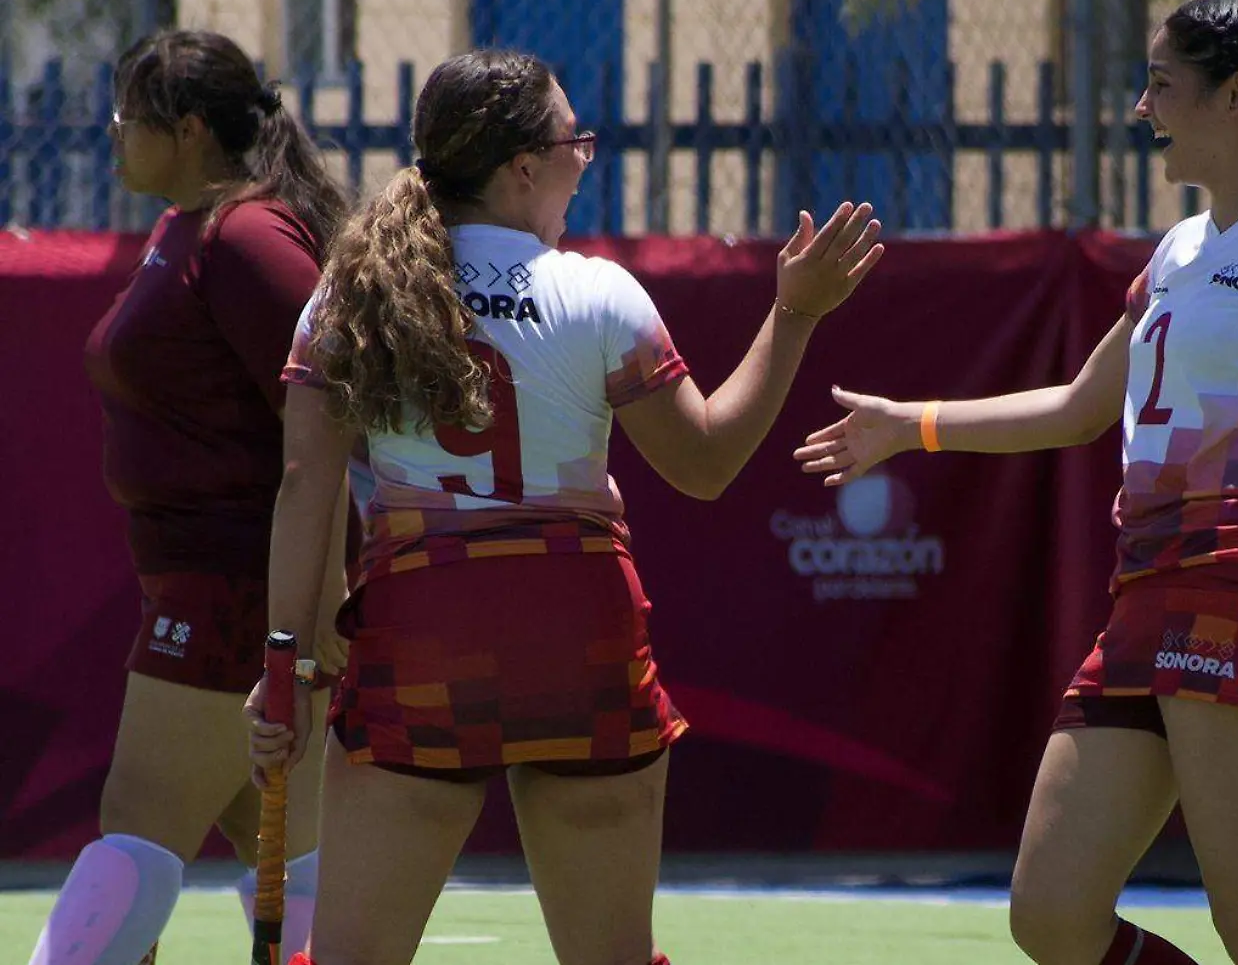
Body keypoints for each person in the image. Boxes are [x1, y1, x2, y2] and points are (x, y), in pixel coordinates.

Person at [795, 0, 1238, 965]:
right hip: (1145, 591)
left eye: (1161, 84)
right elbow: (1082, 404)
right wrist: (911, 425)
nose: (1142, 107)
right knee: (1050, 910)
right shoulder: (1177, 250)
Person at [243, 48, 883, 965]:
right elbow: (705, 463)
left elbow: (306, 489)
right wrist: (795, 315)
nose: (587, 159)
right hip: (579, 637)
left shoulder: (351, 296)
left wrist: (286, 670)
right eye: (574, 141)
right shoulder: (596, 294)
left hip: (427, 638)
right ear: (523, 168)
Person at [31, 29, 350, 965]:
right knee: (283, 855)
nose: (112, 133)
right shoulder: (191, 228)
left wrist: (317, 607)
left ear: (193, 129)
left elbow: (337, 412)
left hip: (236, 591)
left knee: (135, 832)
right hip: (204, 584)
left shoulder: (250, 236)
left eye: (130, 117)